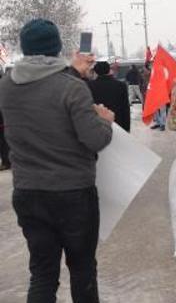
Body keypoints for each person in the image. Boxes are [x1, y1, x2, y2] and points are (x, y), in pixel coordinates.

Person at [0, 18, 114, 302]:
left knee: (42, 273)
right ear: (57, 48)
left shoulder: (6, 87)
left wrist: (72, 72)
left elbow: (43, 91)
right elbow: (95, 139)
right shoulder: (72, 88)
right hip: (73, 194)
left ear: (25, 49)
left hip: (28, 192)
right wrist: (105, 121)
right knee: (82, 269)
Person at [89, 61, 131, 132]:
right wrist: (127, 128)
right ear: (109, 70)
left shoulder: (89, 86)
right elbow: (125, 108)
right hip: (118, 123)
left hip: (97, 125)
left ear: (96, 72)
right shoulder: (121, 85)